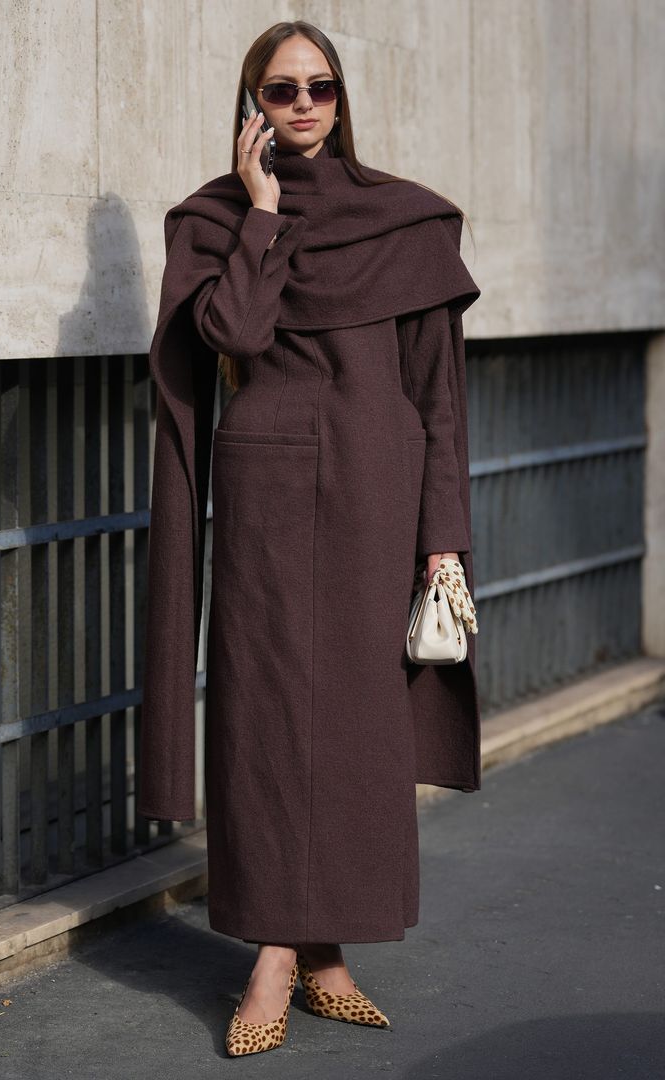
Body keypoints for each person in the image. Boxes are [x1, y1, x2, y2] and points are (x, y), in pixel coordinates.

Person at [136, 20, 482, 1057]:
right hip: (269, 501)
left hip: (382, 497)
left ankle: (323, 950)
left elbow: (440, 397)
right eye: (280, 90)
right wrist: (262, 213)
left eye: (319, 87)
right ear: (252, 105)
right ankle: (278, 955)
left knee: (360, 731)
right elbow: (233, 335)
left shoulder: (407, 221)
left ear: (341, 97)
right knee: (269, 719)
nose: (302, 106)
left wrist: (443, 539)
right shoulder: (212, 219)